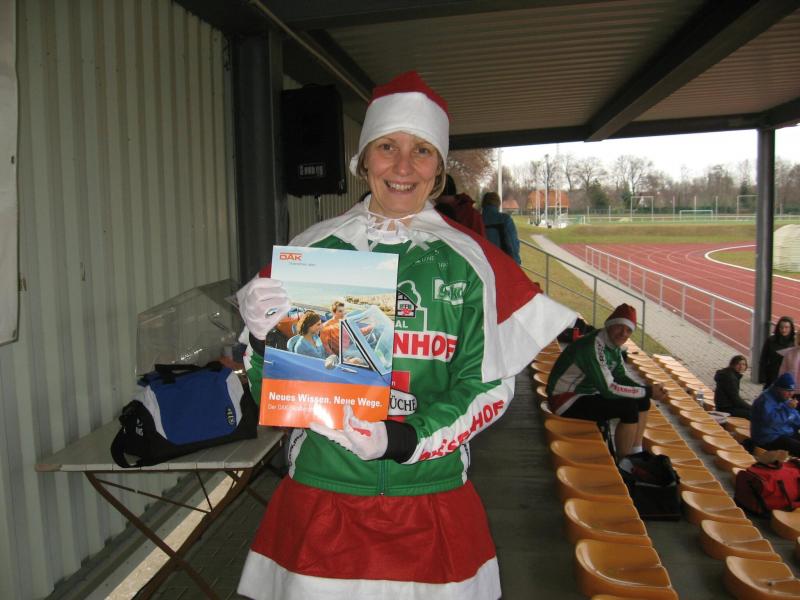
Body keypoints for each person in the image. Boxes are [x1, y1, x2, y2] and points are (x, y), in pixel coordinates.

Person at [233, 71, 576, 600]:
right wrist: (261, 344)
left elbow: (488, 388)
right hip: (322, 501)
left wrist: (403, 439)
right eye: (387, 147)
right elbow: (272, 396)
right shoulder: (314, 250)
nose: (402, 167)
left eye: (421, 151)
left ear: (438, 167)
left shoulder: (473, 263)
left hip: (431, 503)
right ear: (364, 159)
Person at [546, 303, 666, 459]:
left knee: (642, 400)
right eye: (619, 327)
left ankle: (636, 453)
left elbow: (621, 376)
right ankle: (625, 462)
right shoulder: (592, 346)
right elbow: (609, 389)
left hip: (585, 395)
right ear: (609, 325)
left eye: (628, 330)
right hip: (564, 400)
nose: (623, 333)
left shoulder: (612, 345)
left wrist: (646, 392)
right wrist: (648, 391)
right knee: (628, 408)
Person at [750, 373, 800, 455]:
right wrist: (788, 409)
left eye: (792, 390)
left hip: (782, 432)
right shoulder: (765, 400)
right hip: (767, 438)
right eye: (787, 390)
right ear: (778, 389)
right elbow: (772, 421)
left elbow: (794, 416)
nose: (791, 394)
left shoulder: (783, 397)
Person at [481, 191, 521, 264]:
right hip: (502, 264)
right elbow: (513, 246)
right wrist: (517, 263)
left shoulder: (476, 220)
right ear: (498, 204)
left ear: (483, 204)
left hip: (482, 264)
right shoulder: (505, 220)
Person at [759, 316, 796, 388]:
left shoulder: (795, 342)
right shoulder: (770, 340)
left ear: (791, 328)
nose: (783, 330)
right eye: (781, 327)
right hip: (772, 376)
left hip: (790, 377)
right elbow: (763, 359)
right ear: (778, 327)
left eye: (786, 327)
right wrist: (762, 378)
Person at [713, 355, 752, 419]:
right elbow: (736, 399)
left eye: (743, 364)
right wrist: (752, 408)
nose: (741, 367)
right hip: (725, 409)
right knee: (753, 414)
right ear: (732, 364)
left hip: (724, 406)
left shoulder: (728, 373)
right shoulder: (730, 378)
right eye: (738, 364)